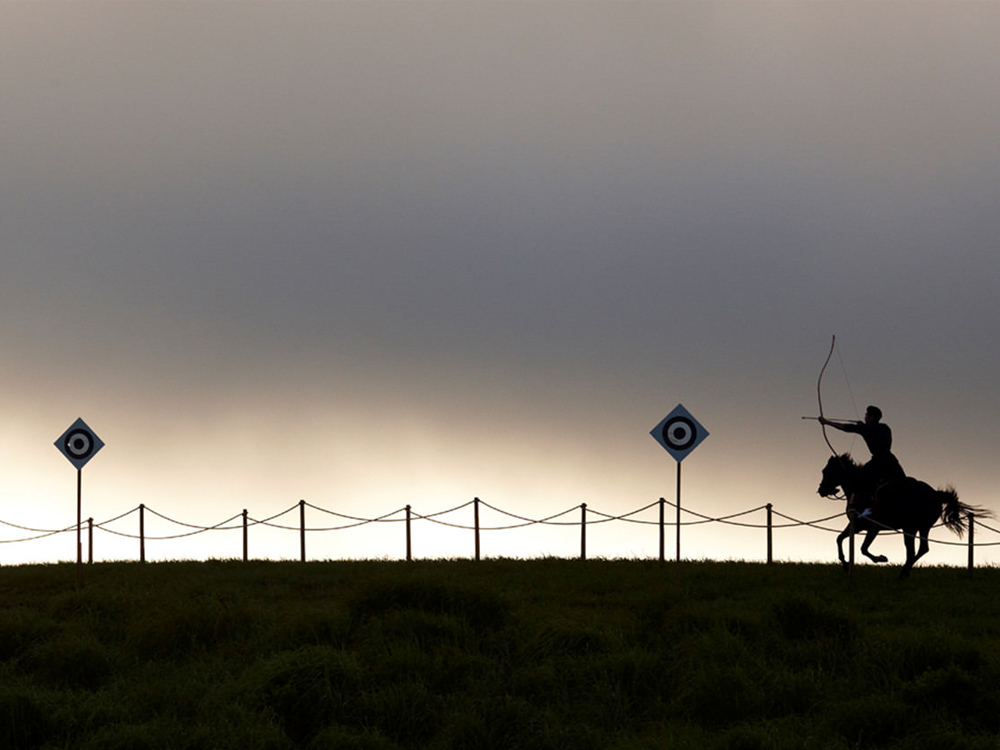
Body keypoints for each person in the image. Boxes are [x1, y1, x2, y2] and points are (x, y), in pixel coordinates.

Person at [820, 405, 905, 517]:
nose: (865, 416)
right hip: (891, 461)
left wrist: (827, 422)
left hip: (878, 462)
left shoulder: (866, 428)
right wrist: (864, 427)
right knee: (902, 482)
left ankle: (867, 509)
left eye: (867, 415)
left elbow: (846, 428)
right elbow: (872, 431)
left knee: (859, 481)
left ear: (871, 417)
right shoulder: (885, 427)